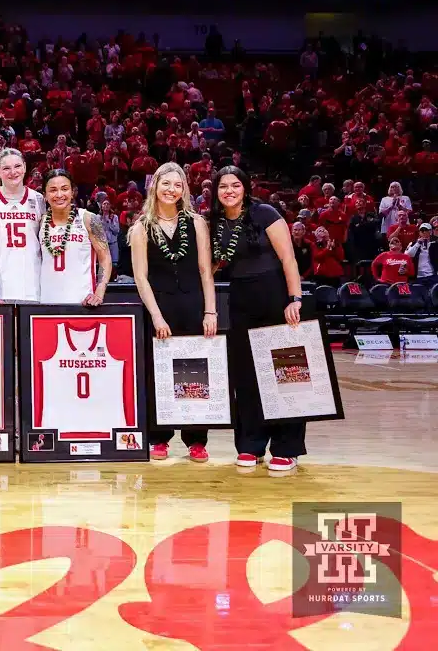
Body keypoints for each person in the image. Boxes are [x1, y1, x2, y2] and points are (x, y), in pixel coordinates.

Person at [210, 165, 306, 473]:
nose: (229, 191)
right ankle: (251, 445)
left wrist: (295, 299)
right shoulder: (217, 222)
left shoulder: (265, 213)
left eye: (235, 185)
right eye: (223, 186)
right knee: (247, 378)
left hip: (275, 297)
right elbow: (213, 263)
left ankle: (286, 447)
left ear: (245, 187)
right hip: (240, 300)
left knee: (283, 374)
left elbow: (288, 258)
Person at [128, 163, 216, 463]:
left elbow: (206, 270)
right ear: (155, 187)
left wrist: (210, 311)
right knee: (159, 372)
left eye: (177, 185)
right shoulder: (141, 227)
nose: (171, 189)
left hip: (192, 304)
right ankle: (159, 437)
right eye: (166, 184)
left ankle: (196, 439)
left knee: (195, 372)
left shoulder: (196, 223)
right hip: (159, 305)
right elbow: (141, 277)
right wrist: (156, 316)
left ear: (184, 190)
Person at [37, 169, 112, 306]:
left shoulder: (88, 219)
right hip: (45, 303)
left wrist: (99, 293)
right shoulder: (40, 222)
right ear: (45, 196)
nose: (59, 195)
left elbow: (105, 257)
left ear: (73, 192)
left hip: (83, 303)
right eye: (53, 190)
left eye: (64, 189)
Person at [0, 148, 43, 304]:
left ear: (25, 167)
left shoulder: (38, 198)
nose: (13, 172)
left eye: (17, 166)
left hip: (31, 281)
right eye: (6, 168)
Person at [406, 222, 437, 289]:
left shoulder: (435, 244)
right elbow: (408, 255)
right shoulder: (413, 243)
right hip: (418, 276)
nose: (424, 232)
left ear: (430, 232)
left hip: (432, 275)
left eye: (426, 230)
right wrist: (418, 243)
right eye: (422, 230)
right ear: (419, 232)